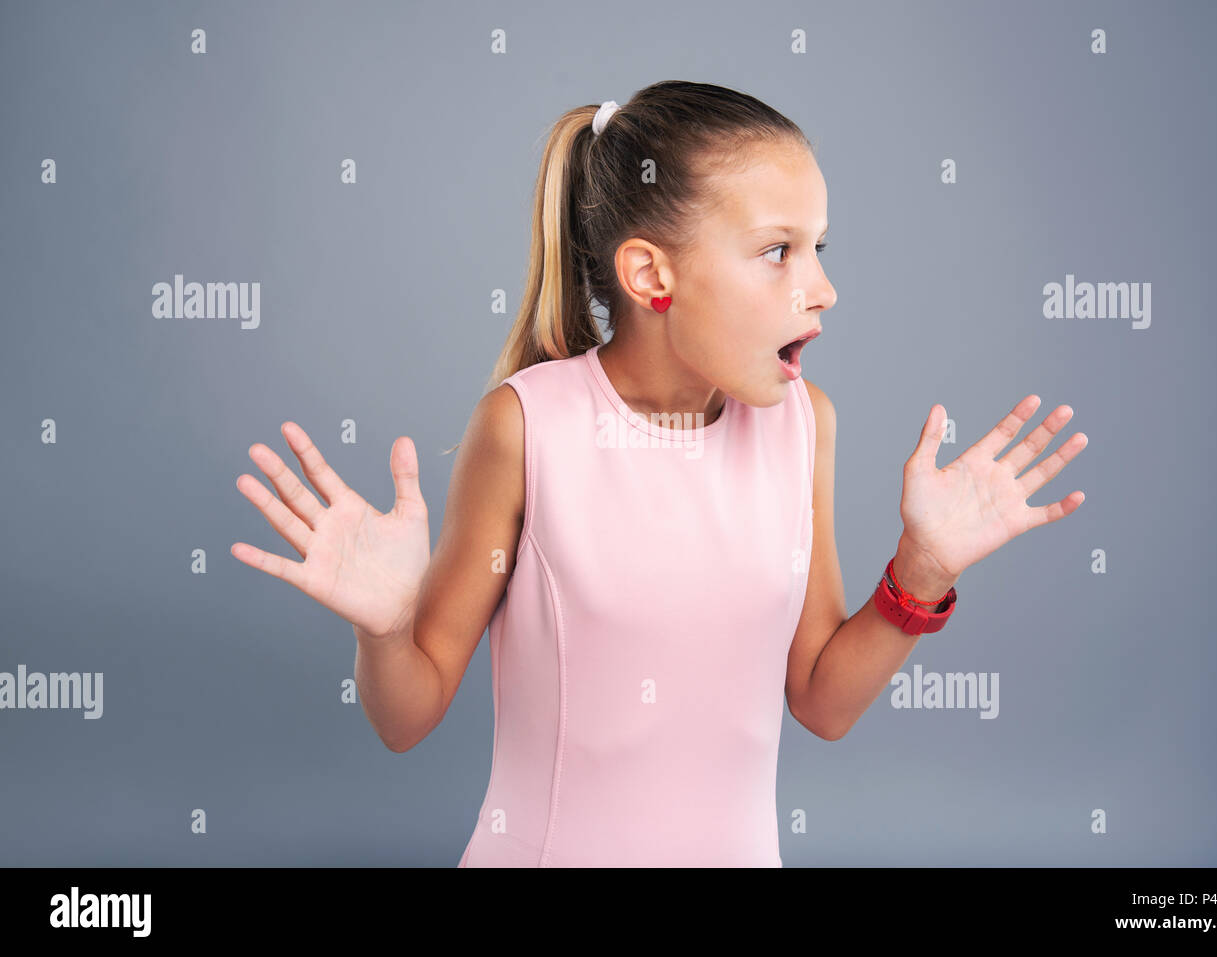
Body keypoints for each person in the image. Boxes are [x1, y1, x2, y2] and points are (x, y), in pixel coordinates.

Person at [230, 80, 1089, 867]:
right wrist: (384, 631)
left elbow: (823, 700)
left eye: (819, 245)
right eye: (776, 251)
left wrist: (923, 571)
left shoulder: (803, 425)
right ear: (651, 275)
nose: (822, 287)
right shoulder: (526, 425)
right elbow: (406, 719)